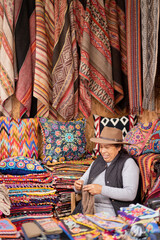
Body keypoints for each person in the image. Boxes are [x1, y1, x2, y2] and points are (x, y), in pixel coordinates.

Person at [73, 126, 140, 217]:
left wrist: (101, 189)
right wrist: (77, 187)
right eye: (101, 147)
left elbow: (130, 194)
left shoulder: (128, 163)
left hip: (111, 215)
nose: (103, 151)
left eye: (107, 147)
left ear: (119, 147)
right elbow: (81, 184)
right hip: (87, 210)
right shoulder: (97, 161)